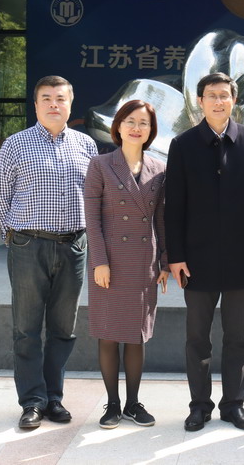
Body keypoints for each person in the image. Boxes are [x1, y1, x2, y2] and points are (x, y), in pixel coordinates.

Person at [165, 72, 244, 432]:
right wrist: (175, 256)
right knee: (197, 338)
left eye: (224, 95)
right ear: (200, 101)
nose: (218, 101)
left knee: (238, 337)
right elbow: (174, 206)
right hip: (196, 259)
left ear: (233, 100)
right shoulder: (183, 144)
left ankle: (233, 405)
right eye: (211, 95)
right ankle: (199, 406)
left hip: (242, 257)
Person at [0, 75, 98, 429]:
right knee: (26, 328)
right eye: (47, 98)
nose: (54, 104)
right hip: (29, 245)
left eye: (60, 98)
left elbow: (94, 196)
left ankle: (54, 397)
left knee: (64, 328)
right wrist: (12, 236)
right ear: (35, 105)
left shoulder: (86, 145)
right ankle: (32, 401)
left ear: (70, 103)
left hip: (74, 246)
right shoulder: (16, 144)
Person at [84, 100, 169, 429]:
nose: (136, 128)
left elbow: (161, 221)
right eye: (130, 121)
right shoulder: (100, 164)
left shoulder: (159, 168)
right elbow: (92, 219)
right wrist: (99, 262)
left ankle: (134, 403)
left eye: (143, 123)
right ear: (118, 126)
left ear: (151, 131)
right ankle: (113, 404)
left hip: (143, 262)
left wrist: (164, 262)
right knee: (108, 335)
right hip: (109, 262)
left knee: (136, 335)